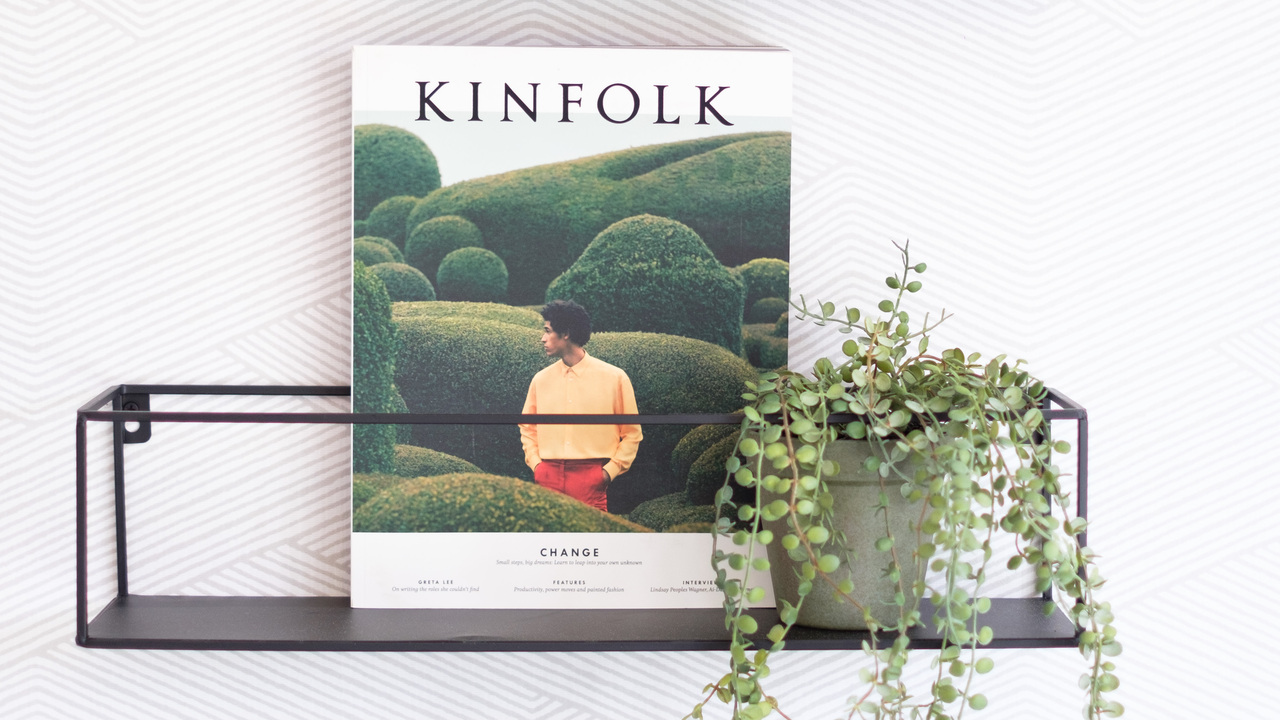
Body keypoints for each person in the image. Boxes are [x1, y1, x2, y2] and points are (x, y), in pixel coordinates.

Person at [518, 300, 642, 512]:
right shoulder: (540, 380)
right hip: (548, 475)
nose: (543, 338)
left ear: (565, 333)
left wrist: (607, 472)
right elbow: (528, 427)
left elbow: (632, 434)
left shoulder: (615, 378)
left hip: (591, 477)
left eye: (548, 331)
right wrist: (538, 466)